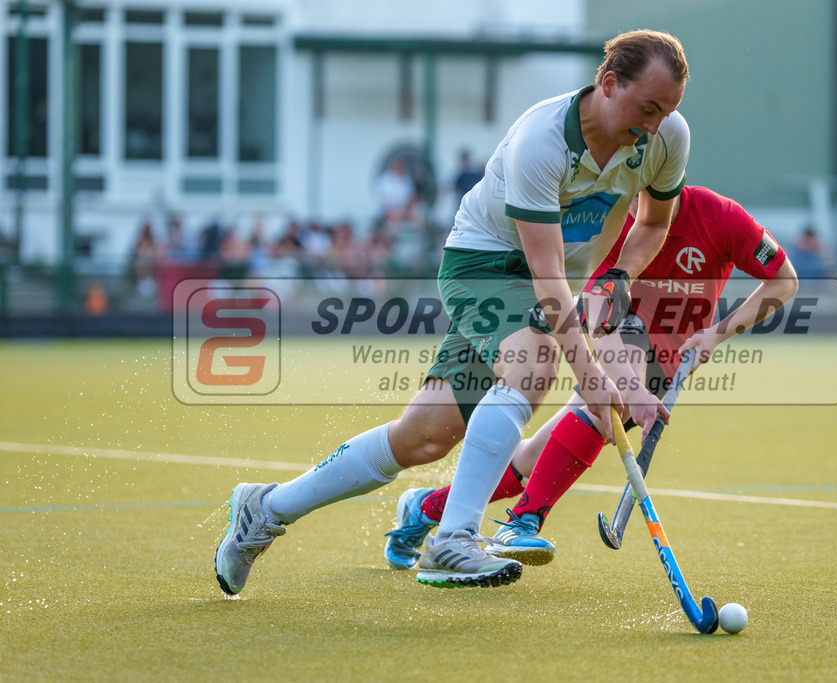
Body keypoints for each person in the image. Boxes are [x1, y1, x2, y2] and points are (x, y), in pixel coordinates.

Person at [214, 29, 691, 594]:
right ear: (609, 84)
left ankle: (266, 509)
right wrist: (591, 376)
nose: (656, 125)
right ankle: (452, 540)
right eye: (649, 108)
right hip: (484, 264)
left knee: (424, 437)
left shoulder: (665, 139)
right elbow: (545, 277)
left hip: (544, 279)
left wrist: (618, 274)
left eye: (668, 112)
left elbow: (654, 223)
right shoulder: (541, 142)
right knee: (534, 362)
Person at [384, 186, 799, 567]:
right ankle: (523, 522)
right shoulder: (611, 226)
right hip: (621, 342)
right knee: (613, 394)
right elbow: (601, 319)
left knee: (531, 463)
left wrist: (716, 333)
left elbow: (785, 281)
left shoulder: (721, 216)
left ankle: (424, 507)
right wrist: (626, 383)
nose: (637, 207)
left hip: (672, 363)